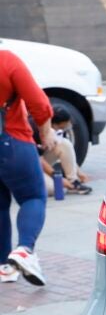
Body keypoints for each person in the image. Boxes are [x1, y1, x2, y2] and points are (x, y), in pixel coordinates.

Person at [0, 49, 56, 285]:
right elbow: (38, 102)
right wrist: (46, 132)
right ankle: (24, 250)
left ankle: (4, 267)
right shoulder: (6, 60)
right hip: (12, 141)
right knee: (34, 197)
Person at [42, 106, 90, 194]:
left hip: (43, 162)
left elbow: (67, 153)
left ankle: (73, 182)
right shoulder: (38, 130)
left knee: (64, 143)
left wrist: (79, 173)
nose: (66, 128)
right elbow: (38, 160)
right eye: (63, 126)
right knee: (55, 188)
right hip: (30, 167)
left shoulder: (57, 131)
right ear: (54, 125)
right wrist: (57, 178)